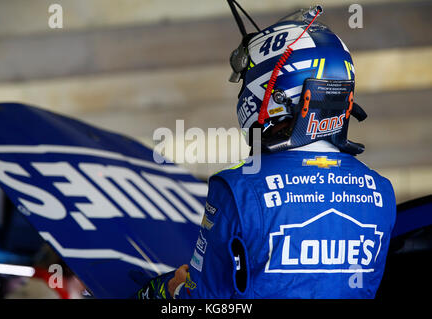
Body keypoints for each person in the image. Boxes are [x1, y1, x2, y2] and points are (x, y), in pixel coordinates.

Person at [138, 3, 397, 299]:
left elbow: (201, 301)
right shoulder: (381, 193)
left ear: (274, 92)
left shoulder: (237, 188)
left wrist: (170, 289)